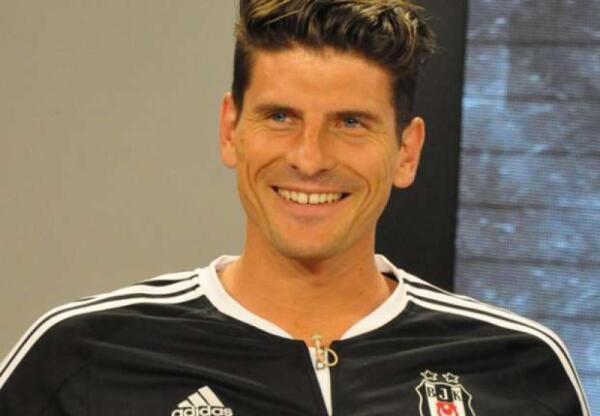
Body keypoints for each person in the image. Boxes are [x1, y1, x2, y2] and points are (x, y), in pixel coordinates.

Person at [0, 0, 590, 415]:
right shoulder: (80, 359)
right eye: (280, 116)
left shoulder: (518, 369)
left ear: (407, 152)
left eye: (351, 122)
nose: (310, 159)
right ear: (230, 130)